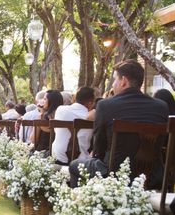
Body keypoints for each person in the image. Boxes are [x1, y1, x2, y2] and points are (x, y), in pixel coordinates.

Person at [69, 60, 169, 188]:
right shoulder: (161, 106)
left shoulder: (105, 105)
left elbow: (99, 146)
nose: (113, 85)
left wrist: (97, 157)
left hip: (112, 173)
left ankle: (84, 206)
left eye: (115, 79)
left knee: (74, 165)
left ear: (123, 81)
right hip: (152, 175)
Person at [51, 86, 96, 165]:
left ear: (76, 98)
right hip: (80, 162)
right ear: (90, 103)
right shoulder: (92, 117)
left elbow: (56, 130)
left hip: (57, 157)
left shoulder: (60, 110)